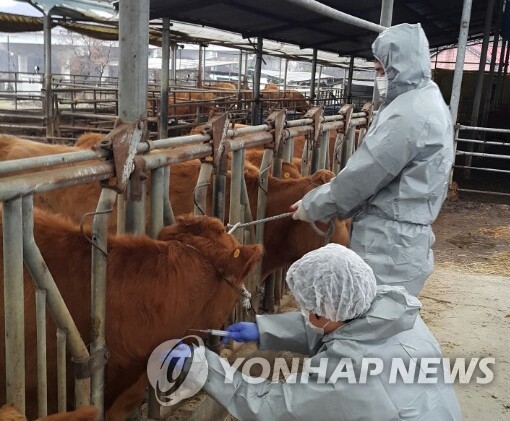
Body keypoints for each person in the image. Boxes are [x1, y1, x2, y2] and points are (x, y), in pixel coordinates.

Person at [172, 244, 462, 420]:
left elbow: (271, 408)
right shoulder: (392, 313)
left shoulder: (346, 377)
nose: (306, 312)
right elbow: (346, 328)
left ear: (327, 311)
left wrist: (203, 368)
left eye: (308, 306)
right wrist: (265, 329)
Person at [292, 23, 454, 296]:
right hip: (399, 239)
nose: (378, 78)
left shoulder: (409, 113)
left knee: (367, 320)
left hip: (388, 244)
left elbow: (364, 175)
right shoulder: (425, 99)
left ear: (402, 67)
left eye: (381, 71)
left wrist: (313, 205)